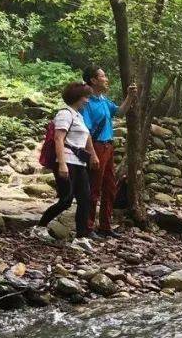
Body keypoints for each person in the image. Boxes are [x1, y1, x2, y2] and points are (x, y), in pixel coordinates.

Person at [37, 82, 101, 251]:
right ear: (77, 98)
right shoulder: (65, 114)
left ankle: (80, 238)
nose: (87, 100)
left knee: (85, 199)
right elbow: (59, 139)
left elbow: (86, 138)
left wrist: (93, 155)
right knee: (66, 200)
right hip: (67, 162)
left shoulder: (79, 116)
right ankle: (40, 227)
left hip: (79, 163)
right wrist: (62, 164)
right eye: (85, 97)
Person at [80, 66, 137, 238]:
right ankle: (87, 227)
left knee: (110, 187)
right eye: (103, 76)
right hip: (96, 147)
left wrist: (130, 96)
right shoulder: (87, 103)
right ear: (93, 80)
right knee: (94, 188)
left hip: (109, 147)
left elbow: (119, 112)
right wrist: (93, 154)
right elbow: (86, 131)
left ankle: (105, 226)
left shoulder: (103, 100)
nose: (106, 79)